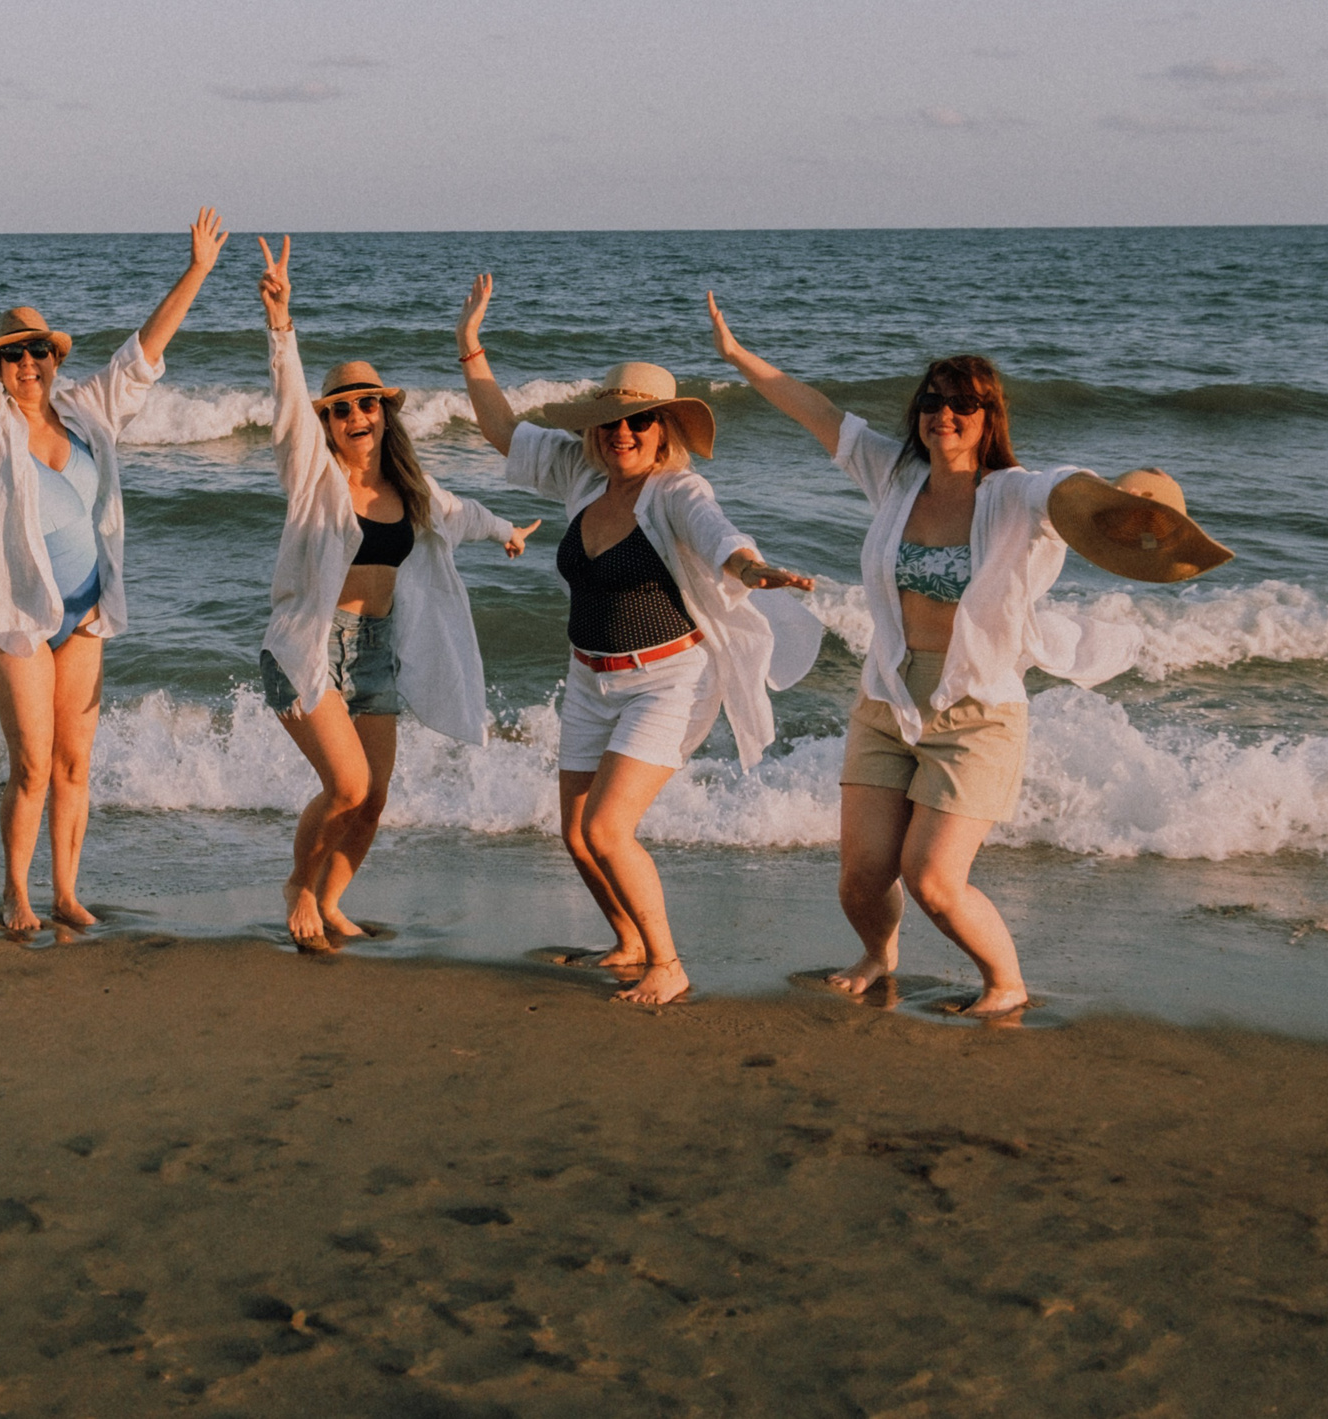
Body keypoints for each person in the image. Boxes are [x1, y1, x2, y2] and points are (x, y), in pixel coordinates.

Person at [706, 292, 1228, 1015]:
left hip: (978, 709)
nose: (943, 414)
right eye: (933, 401)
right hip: (889, 695)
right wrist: (738, 358)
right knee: (860, 876)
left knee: (933, 879)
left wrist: (1132, 505)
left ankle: (1005, 984)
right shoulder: (895, 475)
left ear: (989, 419)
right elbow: (819, 412)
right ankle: (878, 953)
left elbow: (1071, 490)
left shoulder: (1015, 495)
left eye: (963, 404)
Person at [0, 192, 226, 935]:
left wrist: (196, 269)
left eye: (38, 352)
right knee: (31, 763)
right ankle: (15, 892)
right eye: (13, 355)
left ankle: (65, 891)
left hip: (88, 608)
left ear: (55, 359)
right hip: (20, 617)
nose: (27, 363)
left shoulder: (91, 409)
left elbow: (146, 352)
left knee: (74, 763)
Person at [460, 274, 818, 1003]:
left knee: (608, 827)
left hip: (667, 680)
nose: (623, 434)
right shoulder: (581, 475)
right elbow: (502, 430)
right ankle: (626, 940)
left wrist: (754, 568)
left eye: (641, 423)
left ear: (666, 432)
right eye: (612, 424)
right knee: (576, 833)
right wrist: (470, 349)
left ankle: (669, 963)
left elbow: (722, 540)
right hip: (589, 679)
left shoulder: (678, 492)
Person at [255, 239, 538, 949]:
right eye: (345, 406)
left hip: (376, 652)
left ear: (385, 412)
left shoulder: (409, 489)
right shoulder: (314, 481)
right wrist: (281, 327)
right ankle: (298, 885)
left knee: (375, 799)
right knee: (346, 786)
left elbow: (459, 513)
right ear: (330, 420)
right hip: (310, 650)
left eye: (370, 403)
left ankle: (332, 898)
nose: (359, 414)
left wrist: (506, 530)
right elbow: (288, 406)